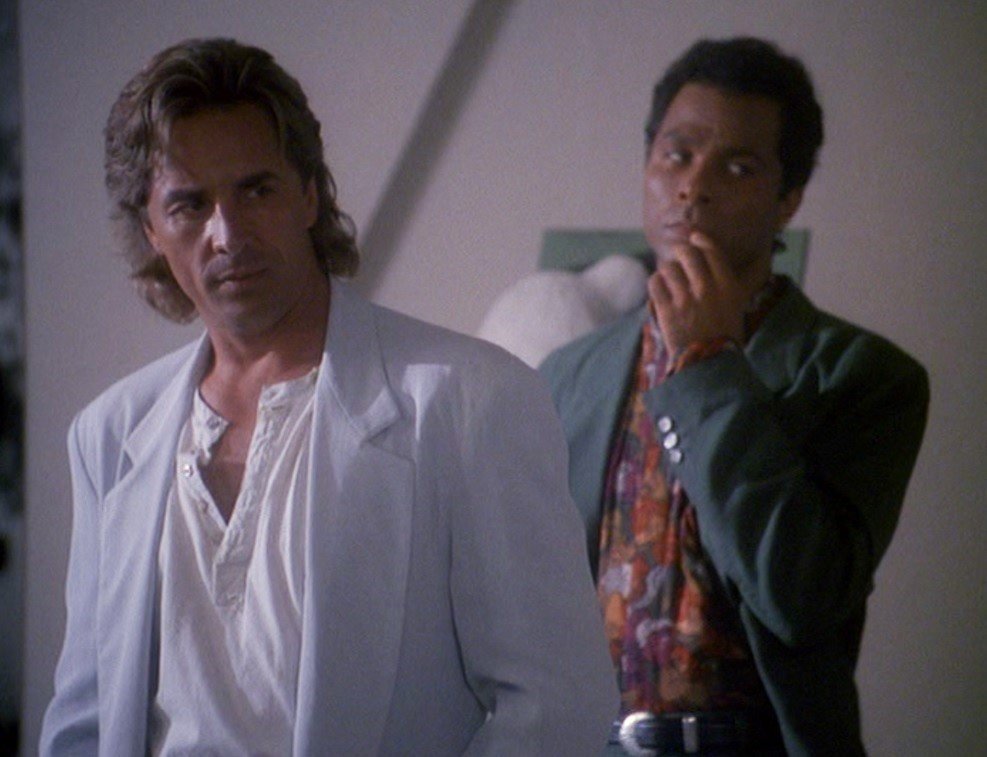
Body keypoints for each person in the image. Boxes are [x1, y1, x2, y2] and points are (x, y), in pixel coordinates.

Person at [40, 38, 617, 755]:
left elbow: (559, 704)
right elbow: (86, 720)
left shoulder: (470, 401)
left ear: (310, 193)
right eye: (189, 204)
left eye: (256, 189)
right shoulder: (109, 434)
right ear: (151, 229)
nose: (227, 234)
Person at [540, 37, 929, 755]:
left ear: (788, 201)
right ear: (648, 166)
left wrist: (706, 361)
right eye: (677, 155)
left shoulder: (864, 376)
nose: (694, 186)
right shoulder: (567, 375)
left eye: (738, 166)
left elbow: (800, 598)